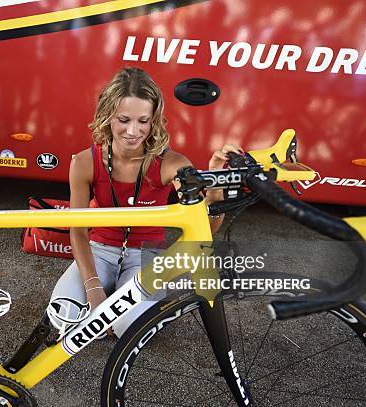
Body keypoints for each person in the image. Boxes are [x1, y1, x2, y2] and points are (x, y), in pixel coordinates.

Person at [50, 67, 242, 338]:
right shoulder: (83, 162)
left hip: (146, 256)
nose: (133, 131)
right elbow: (78, 230)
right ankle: (115, 296)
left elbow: (204, 230)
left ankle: (133, 303)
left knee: (128, 328)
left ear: (154, 120)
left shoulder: (172, 164)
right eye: (124, 119)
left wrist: (215, 189)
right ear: (107, 117)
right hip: (100, 249)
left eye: (143, 121)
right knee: (64, 317)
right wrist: (93, 290)